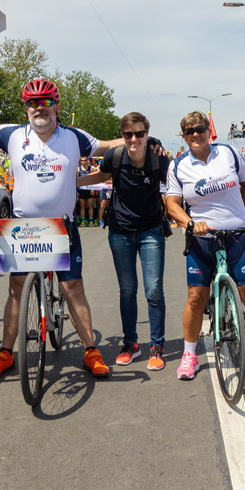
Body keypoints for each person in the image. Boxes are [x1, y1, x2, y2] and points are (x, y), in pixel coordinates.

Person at [0, 78, 142, 380]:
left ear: (56, 106)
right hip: (22, 227)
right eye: (32, 103)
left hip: (62, 225)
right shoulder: (12, 134)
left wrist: (141, 140)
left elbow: (108, 145)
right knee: (16, 290)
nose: (38, 108)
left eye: (45, 102)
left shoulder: (74, 137)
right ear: (26, 108)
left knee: (73, 288)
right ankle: (6, 352)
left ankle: (90, 351)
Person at [165, 110, 245, 381]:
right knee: (196, 298)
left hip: (236, 236)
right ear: (183, 136)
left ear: (209, 131)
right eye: (189, 131)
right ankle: (189, 355)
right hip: (201, 239)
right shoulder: (178, 164)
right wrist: (190, 223)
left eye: (201, 129)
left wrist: (237, 212)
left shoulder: (228, 153)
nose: (196, 134)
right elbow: (172, 203)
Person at [81, 111, 169, 370]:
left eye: (140, 134)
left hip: (151, 230)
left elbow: (175, 183)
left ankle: (157, 345)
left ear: (147, 134)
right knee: (127, 290)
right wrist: (71, 181)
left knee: (153, 290)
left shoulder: (157, 157)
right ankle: (131, 343)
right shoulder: (115, 155)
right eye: (129, 134)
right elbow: (101, 176)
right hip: (120, 231)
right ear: (122, 135)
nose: (134, 139)